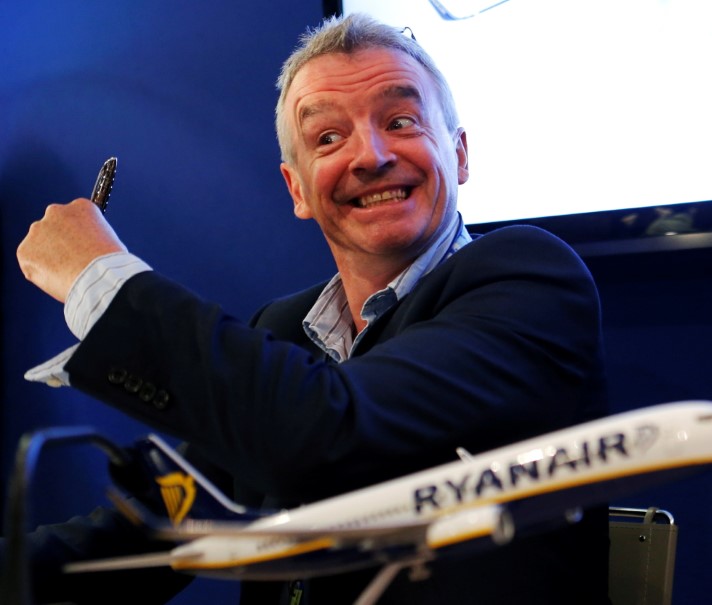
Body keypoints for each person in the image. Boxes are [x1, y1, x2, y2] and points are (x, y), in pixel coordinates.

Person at [9, 13, 609, 604]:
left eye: (400, 121)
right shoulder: (283, 329)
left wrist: (101, 277)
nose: (370, 155)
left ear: (460, 156)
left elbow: (332, 433)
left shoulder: (529, 279)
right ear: (297, 189)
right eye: (328, 138)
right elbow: (173, 515)